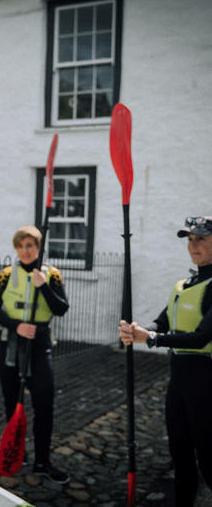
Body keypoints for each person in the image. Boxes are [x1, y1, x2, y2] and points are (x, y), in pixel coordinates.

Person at [119, 216, 212, 507]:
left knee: (208, 460)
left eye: (202, 239)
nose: (194, 245)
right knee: (180, 456)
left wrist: (151, 339)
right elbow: (161, 322)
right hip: (179, 383)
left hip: (206, 383)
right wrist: (136, 330)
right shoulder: (183, 285)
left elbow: (200, 338)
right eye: (191, 239)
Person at [0, 225, 70, 484]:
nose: (26, 251)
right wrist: (16, 326)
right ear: (17, 248)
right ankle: (17, 452)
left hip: (39, 343)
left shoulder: (51, 274)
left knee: (44, 403)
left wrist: (43, 286)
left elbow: (61, 309)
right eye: (21, 246)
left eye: (31, 246)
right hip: (9, 342)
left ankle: (42, 462)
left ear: (38, 248)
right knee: (12, 402)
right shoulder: (6, 275)